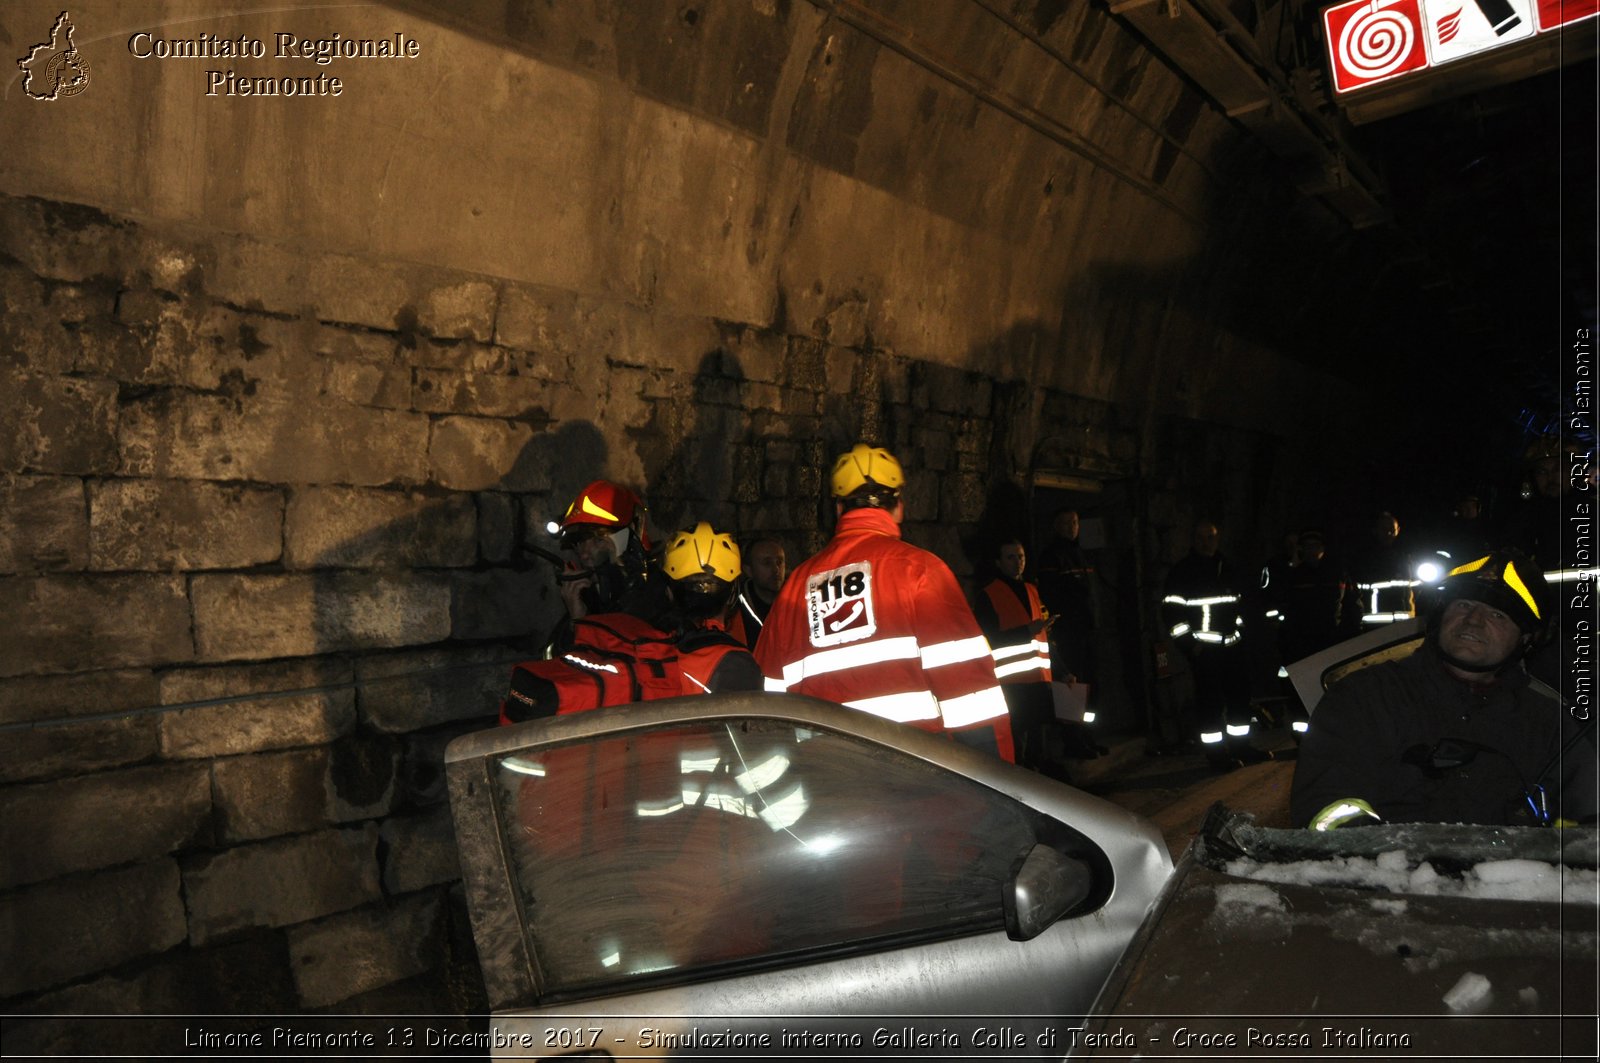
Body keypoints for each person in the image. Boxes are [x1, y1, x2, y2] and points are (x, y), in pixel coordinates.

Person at [1291, 550, 1596, 830]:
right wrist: (1382, 856)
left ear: (1527, 638)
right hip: (1389, 880)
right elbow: (1328, 803)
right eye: (1464, 604)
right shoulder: (1366, 696)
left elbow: (1585, 819)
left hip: (1509, 885)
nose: (1474, 621)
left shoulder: (1549, 725)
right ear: (1439, 617)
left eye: (1497, 615)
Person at [755, 443, 1014, 761]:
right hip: (920, 787)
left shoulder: (793, 588)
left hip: (827, 786)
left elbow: (767, 705)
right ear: (899, 506)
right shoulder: (922, 572)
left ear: (838, 508)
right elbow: (971, 695)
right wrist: (1003, 791)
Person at [504, 521, 760, 721]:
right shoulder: (734, 664)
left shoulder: (638, 645)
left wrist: (578, 617)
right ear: (733, 594)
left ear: (669, 590)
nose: (585, 551)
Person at [1162, 519, 1273, 770]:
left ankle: (1241, 747)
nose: (1206, 542)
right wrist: (1192, 647)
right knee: (1210, 705)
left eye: (1210, 537)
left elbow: (1240, 605)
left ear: (1217, 539)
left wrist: (1242, 634)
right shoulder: (1182, 572)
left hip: (1232, 648)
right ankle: (1217, 757)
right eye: (1201, 537)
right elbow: (1172, 614)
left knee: (1240, 700)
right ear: (1193, 541)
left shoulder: (1228, 568)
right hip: (1205, 651)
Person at [545, 479, 668, 653]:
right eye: (579, 542)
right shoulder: (593, 596)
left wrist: (581, 623)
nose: (585, 554)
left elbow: (614, 663)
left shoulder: (655, 596)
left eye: (598, 540)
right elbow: (553, 660)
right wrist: (576, 617)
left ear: (629, 540)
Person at [972, 538, 1054, 768]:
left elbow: (1044, 637)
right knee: (1017, 739)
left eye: (1021, 556)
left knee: (1038, 736)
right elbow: (987, 638)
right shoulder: (988, 595)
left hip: (1037, 679)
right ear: (998, 562)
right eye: (1011, 557)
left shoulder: (1032, 590)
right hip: (1010, 682)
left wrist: (1062, 670)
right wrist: (1026, 631)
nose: (1018, 562)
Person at [1035, 509, 1096, 691]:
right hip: (1067, 629)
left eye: (1075, 522)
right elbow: (1050, 593)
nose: (1072, 528)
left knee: (1089, 674)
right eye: (1066, 523)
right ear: (1056, 526)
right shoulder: (1051, 556)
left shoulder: (1082, 554)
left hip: (1086, 625)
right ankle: (1073, 718)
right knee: (1073, 677)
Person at [1348, 510, 1416, 630]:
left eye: (1392, 529)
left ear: (1398, 530)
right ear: (1375, 531)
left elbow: (1417, 588)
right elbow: (1354, 594)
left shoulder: (1407, 557)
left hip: (1404, 624)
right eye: (1384, 529)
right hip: (1375, 626)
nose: (1388, 533)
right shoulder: (1364, 559)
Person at [728, 536, 788, 649]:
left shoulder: (799, 599)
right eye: (767, 563)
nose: (776, 569)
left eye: (779, 562)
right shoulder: (733, 608)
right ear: (748, 570)